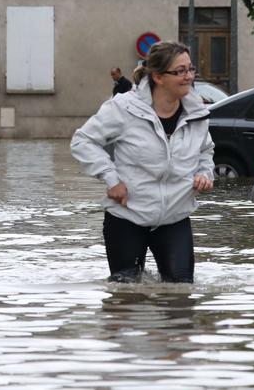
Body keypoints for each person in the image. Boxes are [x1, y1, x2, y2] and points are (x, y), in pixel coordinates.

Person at [72, 42, 214, 283]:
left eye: (191, 69)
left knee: (181, 296)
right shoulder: (124, 107)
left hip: (174, 217)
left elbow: (206, 151)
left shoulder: (197, 113)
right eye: (180, 71)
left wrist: (205, 173)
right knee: (126, 297)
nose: (189, 77)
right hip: (127, 217)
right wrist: (112, 179)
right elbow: (82, 141)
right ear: (158, 77)